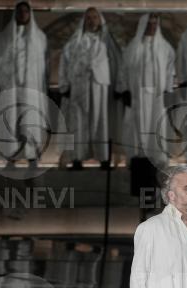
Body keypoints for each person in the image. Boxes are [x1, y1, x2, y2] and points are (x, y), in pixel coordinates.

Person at [59, 7, 121, 169]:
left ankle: (104, 158)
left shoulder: (107, 42)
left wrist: (119, 86)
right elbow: (64, 63)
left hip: (100, 88)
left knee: (101, 121)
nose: (92, 20)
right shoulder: (74, 42)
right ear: (84, 20)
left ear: (100, 20)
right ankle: (77, 158)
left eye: (95, 17)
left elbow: (117, 63)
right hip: (79, 86)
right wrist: (64, 85)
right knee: (78, 122)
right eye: (89, 18)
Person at [0, 1, 47, 169]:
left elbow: (45, 65)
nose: (22, 14)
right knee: (10, 120)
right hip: (10, 87)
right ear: (15, 13)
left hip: (31, 87)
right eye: (20, 11)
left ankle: (32, 156)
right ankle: (11, 157)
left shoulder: (40, 38)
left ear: (30, 14)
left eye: (25, 11)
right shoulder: (3, 38)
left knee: (30, 120)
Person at [118, 13, 174, 165]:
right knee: (136, 124)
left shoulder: (165, 48)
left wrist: (168, 90)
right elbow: (123, 69)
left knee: (157, 123)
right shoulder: (133, 48)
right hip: (137, 94)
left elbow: (170, 71)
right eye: (149, 24)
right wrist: (124, 89)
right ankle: (138, 155)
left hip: (158, 95)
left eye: (155, 24)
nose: (152, 27)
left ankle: (157, 157)